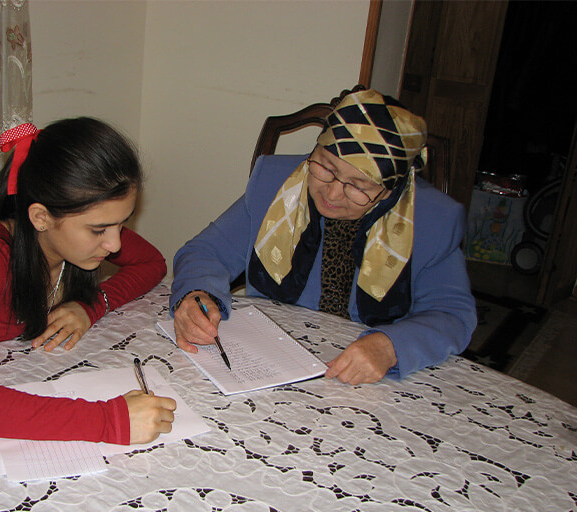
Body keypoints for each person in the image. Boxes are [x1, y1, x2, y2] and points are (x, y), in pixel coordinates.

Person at [0, 117, 176, 444]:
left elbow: (151, 263)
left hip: (11, 384)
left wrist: (91, 305)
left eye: (121, 225)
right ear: (41, 218)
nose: (115, 244)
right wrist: (110, 421)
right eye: (99, 230)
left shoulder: (73, 237)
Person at [170, 89, 476, 385]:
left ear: (390, 189)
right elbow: (206, 251)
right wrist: (196, 295)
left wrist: (389, 346)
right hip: (269, 357)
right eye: (325, 168)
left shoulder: (434, 219)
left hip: (365, 380)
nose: (331, 193)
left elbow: (452, 314)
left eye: (357, 186)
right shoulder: (274, 182)